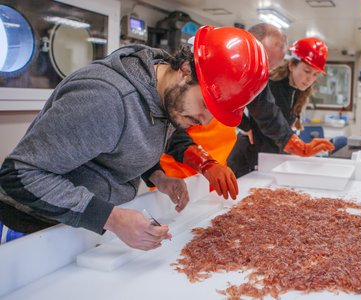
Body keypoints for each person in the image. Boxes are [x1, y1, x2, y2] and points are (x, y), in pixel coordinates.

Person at [0, 26, 268, 250]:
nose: (205, 121)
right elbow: (19, 174)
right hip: (34, 229)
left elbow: (132, 137)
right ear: (186, 70)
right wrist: (112, 218)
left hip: (84, 226)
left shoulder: (166, 89)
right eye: (205, 105)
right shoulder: (106, 98)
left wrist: (157, 176)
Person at [161, 23, 288, 199]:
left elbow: (254, 109)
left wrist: (246, 126)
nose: (263, 70)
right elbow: (171, 130)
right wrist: (203, 161)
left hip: (214, 172)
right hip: (178, 176)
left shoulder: (244, 80)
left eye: (269, 68)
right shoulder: (207, 68)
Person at [227, 38, 335, 178]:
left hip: (270, 158)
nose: (310, 79)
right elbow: (234, 103)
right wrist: (245, 126)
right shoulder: (269, 85)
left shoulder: (297, 91)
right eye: (307, 71)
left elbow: (282, 126)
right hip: (248, 159)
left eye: (315, 74)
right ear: (291, 65)